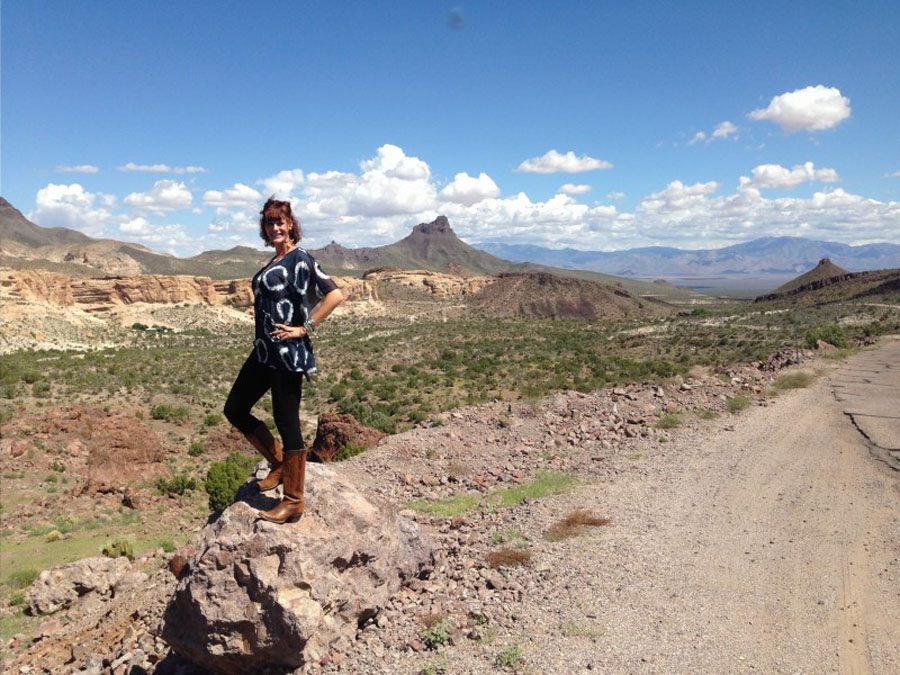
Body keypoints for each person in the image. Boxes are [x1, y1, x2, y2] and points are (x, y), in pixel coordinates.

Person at [223, 197, 343, 523]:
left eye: (280, 222)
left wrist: (304, 328)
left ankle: (293, 501)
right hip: (263, 352)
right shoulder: (273, 261)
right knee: (234, 408)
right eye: (269, 223)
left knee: (287, 422)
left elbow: (335, 294)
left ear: (290, 224)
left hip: (288, 355)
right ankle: (278, 463)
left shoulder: (300, 258)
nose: (275, 227)